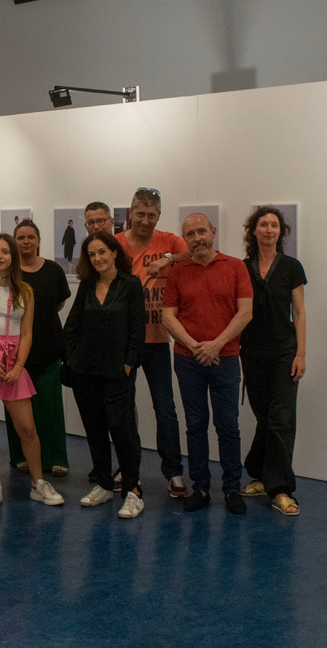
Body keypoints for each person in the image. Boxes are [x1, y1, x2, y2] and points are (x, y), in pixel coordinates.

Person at [162, 213, 253, 516]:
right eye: (190, 234)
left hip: (226, 358)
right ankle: (200, 487)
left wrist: (216, 344)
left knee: (228, 426)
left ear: (213, 232)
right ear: (185, 239)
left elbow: (245, 312)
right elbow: (168, 316)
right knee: (196, 425)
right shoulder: (177, 272)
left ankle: (231, 488)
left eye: (202, 231)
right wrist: (194, 345)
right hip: (188, 361)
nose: (197, 238)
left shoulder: (235, 267)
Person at [0, 233, 64, 509]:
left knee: (27, 428)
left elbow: (27, 332)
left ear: (13, 256)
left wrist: (19, 366)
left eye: (5, 252)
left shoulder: (25, 290)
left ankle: (38, 483)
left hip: (13, 363)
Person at [64, 231, 146, 519]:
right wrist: (72, 359)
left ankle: (133, 490)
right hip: (85, 372)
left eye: (102, 252)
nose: (97, 258)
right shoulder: (87, 285)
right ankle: (103, 483)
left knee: (122, 429)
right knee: (95, 428)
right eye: (92, 254)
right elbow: (72, 326)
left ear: (114, 253)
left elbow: (137, 330)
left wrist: (128, 364)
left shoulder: (131, 285)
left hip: (117, 372)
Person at [116, 188, 190, 500]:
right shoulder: (117, 244)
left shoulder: (170, 241)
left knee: (165, 408)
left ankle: (173, 472)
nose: (145, 221)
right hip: (125, 341)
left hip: (159, 339)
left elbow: (195, 253)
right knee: (124, 409)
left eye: (151, 215)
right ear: (130, 213)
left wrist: (168, 259)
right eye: (140, 214)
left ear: (158, 215)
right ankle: (127, 469)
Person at [239, 207, 306, 516]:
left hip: (284, 351)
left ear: (281, 232)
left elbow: (299, 313)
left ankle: (280, 489)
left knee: (281, 418)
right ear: (254, 231)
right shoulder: (243, 268)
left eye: (274, 225)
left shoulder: (291, 267)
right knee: (265, 416)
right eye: (263, 224)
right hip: (252, 351)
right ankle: (260, 474)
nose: (269, 229)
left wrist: (301, 354)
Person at [8, 219, 71, 477]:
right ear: (15, 242)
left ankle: (56, 458)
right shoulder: (9, 272)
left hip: (48, 346)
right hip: (14, 350)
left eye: (30, 237)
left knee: (50, 407)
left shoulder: (53, 270)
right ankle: (20, 456)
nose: (26, 242)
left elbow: (58, 304)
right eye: (21, 238)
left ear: (39, 240)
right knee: (16, 407)